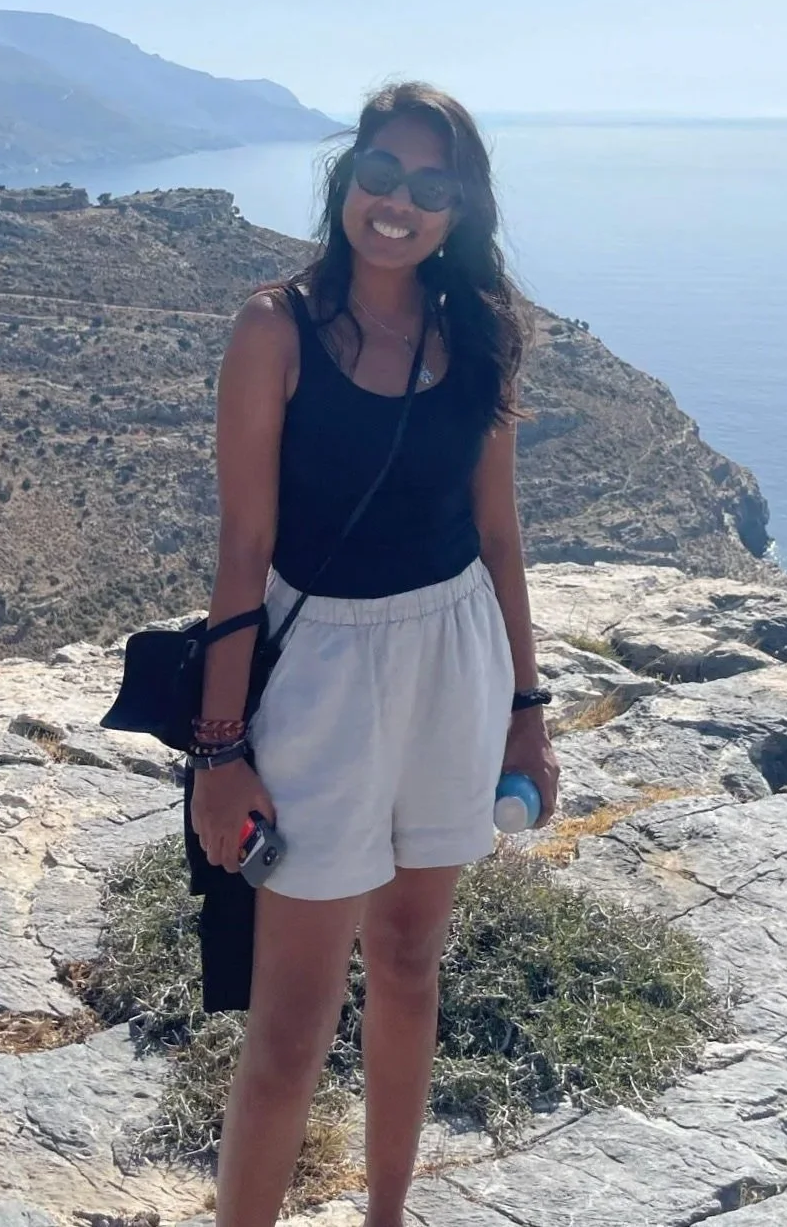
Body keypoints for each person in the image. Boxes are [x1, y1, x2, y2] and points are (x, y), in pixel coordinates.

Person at [190, 81, 560, 1227]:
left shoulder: (480, 328)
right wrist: (219, 749)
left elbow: (498, 534)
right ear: (346, 178)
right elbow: (244, 545)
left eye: (429, 186)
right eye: (381, 175)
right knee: (290, 1019)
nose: (397, 204)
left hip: (454, 659)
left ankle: (386, 1217)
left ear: (462, 208)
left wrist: (527, 709)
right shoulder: (274, 327)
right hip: (322, 674)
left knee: (407, 958)